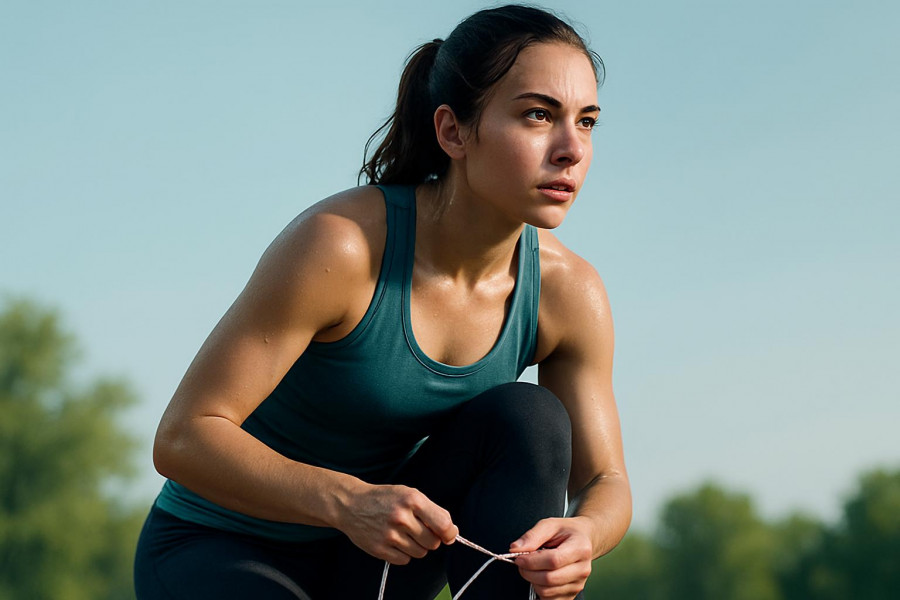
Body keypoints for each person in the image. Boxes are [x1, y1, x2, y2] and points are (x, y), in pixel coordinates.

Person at [134, 4, 631, 599]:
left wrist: (585, 533)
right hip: (221, 548)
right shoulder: (343, 248)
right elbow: (184, 436)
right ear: (453, 132)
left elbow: (606, 480)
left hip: (376, 561)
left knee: (528, 418)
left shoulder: (566, 291)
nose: (571, 149)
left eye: (587, 121)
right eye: (536, 115)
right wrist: (348, 502)